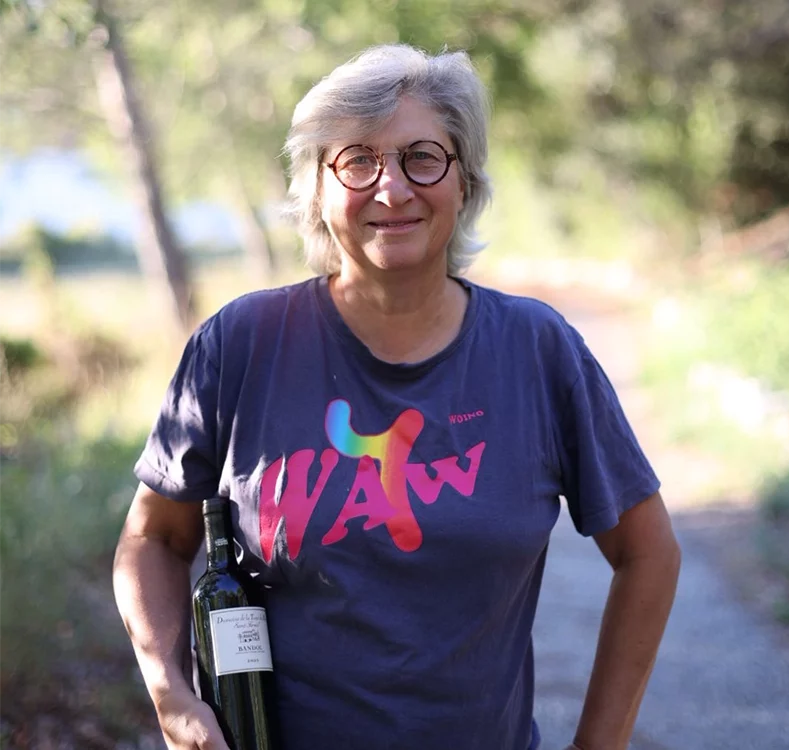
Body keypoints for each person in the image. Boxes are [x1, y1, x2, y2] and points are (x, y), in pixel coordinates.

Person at [113, 44, 681, 750]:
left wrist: (601, 743)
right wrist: (171, 696)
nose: (392, 189)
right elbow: (154, 539)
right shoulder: (241, 345)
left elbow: (649, 552)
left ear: (465, 181)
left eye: (422, 157)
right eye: (357, 160)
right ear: (317, 188)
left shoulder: (537, 350)